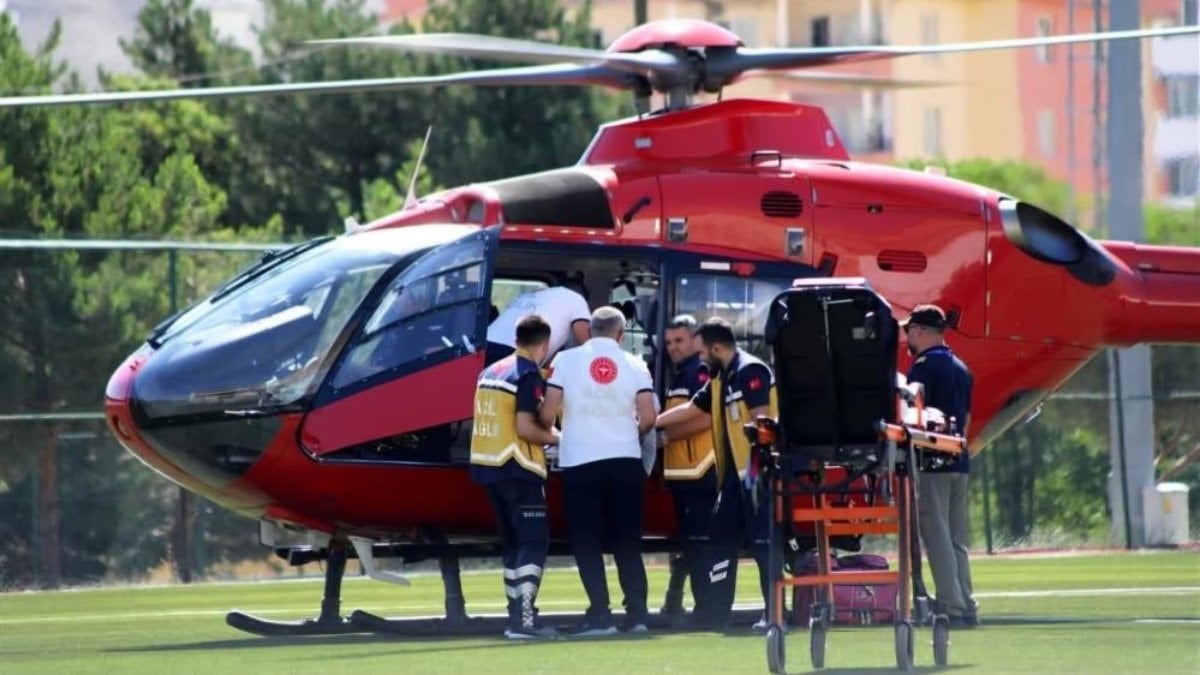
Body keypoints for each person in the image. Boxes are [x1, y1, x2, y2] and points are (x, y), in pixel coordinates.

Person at [540, 306, 658, 635]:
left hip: (581, 459)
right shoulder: (636, 364)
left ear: (590, 331)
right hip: (625, 460)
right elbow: (649, 417)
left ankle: (601, 615)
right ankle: (637, 616)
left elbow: (548, 412)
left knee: (586, 540)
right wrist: (629, 436)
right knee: (627, 541)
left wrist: (553, 433)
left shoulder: (565, 361)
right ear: (620, 334)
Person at [655, 317, 778, 631]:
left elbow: (763, 423)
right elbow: (692, 410)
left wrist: (757, 474)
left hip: (755, 474)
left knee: (764, 543)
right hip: (735, 476)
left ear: (717, 347)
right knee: (720, 541)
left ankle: (774, 613)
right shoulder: (720, 377)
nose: (700, 358)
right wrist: (649, 422)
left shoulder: (752, 370)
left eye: (702, 351)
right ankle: (716, 613)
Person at [468, 314, 561, 639]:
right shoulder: (527, 375)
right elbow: (525, 427)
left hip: (488, 468)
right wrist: (559, 439)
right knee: (533, 543)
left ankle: (515, 618)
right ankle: (524, 620)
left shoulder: (490, 371)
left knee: (513, 545)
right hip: (518, 467)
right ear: (545, 344)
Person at [902, 303, 978, 628]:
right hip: (959, 461)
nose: (907, 337)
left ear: (920, 330)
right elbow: (968, 420)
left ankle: (951, 605)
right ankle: (966, 601)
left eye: (909, 331)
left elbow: (914, 416)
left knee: (937, 537)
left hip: (932, 463)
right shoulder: (962, 367)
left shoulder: (922, 368)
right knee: (956, 538)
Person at [654, 314, 718, 620]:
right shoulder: (680, 374)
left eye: (679, 341)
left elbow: (708, 418)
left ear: (695, 340)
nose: (673, 348)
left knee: (700, 544)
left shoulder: (700, 372)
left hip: (700, 471)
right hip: (682, 473)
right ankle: (697, 605)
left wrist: (663, 437)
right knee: (690, 544)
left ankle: (707, 608)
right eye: (668, 342)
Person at [486, 280, 591, 365]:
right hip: (515, 353)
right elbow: (588, 344)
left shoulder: (537, 294)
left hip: (485, 347)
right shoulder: (576, 298)